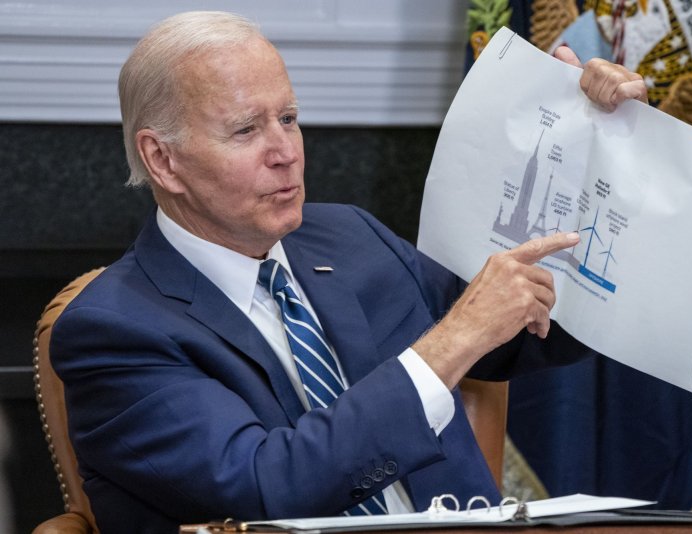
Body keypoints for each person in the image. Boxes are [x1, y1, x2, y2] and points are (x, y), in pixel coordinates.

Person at [50, 11, 647, 533]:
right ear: (163, 159)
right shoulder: (112, 329)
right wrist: (456, 337)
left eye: (287, 118)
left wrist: (605, 149)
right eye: (245, 129)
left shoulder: (351, 238)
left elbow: (531, 328)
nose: (285, 151)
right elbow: (264, 489)